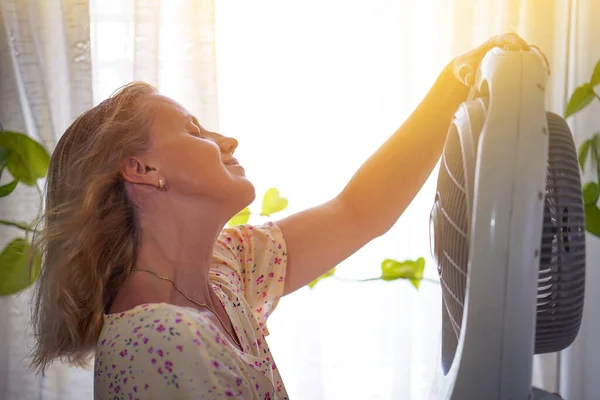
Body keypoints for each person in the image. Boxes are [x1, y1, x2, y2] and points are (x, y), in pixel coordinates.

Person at [28, 33, 532, 399]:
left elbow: (357, 212)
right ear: (142, 169)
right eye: (195, 129)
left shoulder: (223, 271)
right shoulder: (166, 345)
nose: (227, 142)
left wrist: (451, 84)